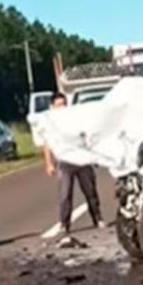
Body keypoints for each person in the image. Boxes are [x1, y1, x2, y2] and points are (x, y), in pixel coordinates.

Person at [42, 93, 105, 236]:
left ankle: (97, 217)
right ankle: (65, 224)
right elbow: (47, 145)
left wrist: (94, 156)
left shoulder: (75, 118)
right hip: (65, 162)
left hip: (82, 159)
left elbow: (88, 136)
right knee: (65, 194)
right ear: (52, 107)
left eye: (63, 104)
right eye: (58, 105)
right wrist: (49, 164)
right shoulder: (50, 123)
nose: (61, 107)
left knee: (90, 191)